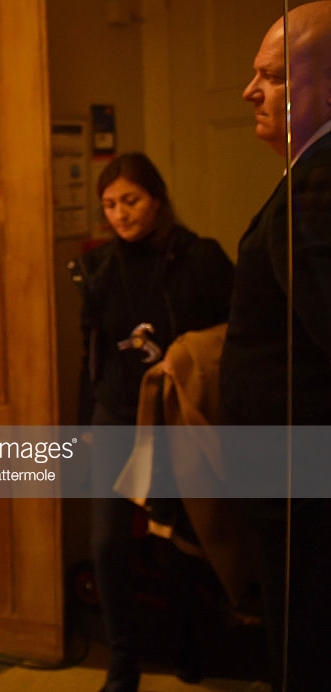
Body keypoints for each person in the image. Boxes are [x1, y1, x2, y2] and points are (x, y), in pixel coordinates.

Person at [72, 152, 234, 692]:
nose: (119, 214)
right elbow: (92, 353)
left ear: (157, 199)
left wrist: (185, 359)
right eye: (109, 204)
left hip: (177, 419)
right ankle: (124, 661)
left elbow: (232, 337)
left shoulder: (200, 257)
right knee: (107, 543)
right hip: (116, 414)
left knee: (183, 540)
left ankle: (190, 644)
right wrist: (84, 426)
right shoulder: (98, 267)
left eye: (131, 201)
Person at [219, 3, 331, 690]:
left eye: (274, 76)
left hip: (304, 479)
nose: (249, 91)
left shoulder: (321, 180)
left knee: (305, 648)